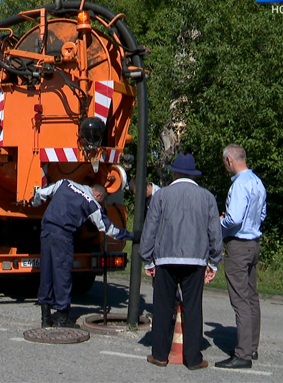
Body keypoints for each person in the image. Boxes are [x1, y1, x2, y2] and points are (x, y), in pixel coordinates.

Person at [140, 153, 223, 370]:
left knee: (162, 307)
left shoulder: (161, 196)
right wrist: (214, 262)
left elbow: (150, 229)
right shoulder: (207, 197)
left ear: (174, 172)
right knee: (193, 307)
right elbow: (215, 232)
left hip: (165, 258)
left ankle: (159, 354)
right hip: (196, 260)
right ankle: (193, 358)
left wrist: (147, 259)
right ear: (193, 174)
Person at [31, 179, 133, 328]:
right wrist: (131, 235)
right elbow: (109, 229)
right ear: (98, 195)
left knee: (46, 273)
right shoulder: (91, 203)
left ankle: (45, 318)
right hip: (63, 236)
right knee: (62, 275)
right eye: (101, 201)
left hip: (46, 231)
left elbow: (41, 193)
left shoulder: (64, 183)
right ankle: (62, 319)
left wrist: (34, 203)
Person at [215, 144, 267, 369]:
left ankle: (243, 354)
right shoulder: (257, 182)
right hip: (254, 243)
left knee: (240, 300)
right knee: (252, 296)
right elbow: (262, 213)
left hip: (238, 245)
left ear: (229, 161)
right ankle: (252, 347)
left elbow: (234, 219)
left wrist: (220, 223)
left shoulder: (238, 186)